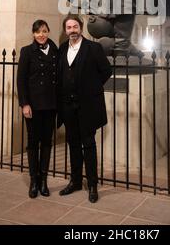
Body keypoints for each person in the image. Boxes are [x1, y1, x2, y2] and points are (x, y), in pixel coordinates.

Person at [57, 14, 112, 203]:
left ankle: (93, 185)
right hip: (68, 106)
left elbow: (106, 71)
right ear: (66, 30)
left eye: (75, 26)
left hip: (87, 106)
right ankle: (75, 181)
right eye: (68, 27)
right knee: (73, 144)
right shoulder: (63, 48)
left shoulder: (94, 48)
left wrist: (91, 89)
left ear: (81, 27)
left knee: (88, 145)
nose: (72, 30)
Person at [17, 20, 58, 198]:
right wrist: (24, 104)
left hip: (50, 105)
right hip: (32, 106)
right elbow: (21, 80)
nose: (41, 35)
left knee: (47, 142)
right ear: (33, 34)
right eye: (37, 32)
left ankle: (44, 181)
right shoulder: (27, 51)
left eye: (44, 31)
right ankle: (34, 180)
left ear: (48, 32)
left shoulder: (56, 51)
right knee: (33, 142)